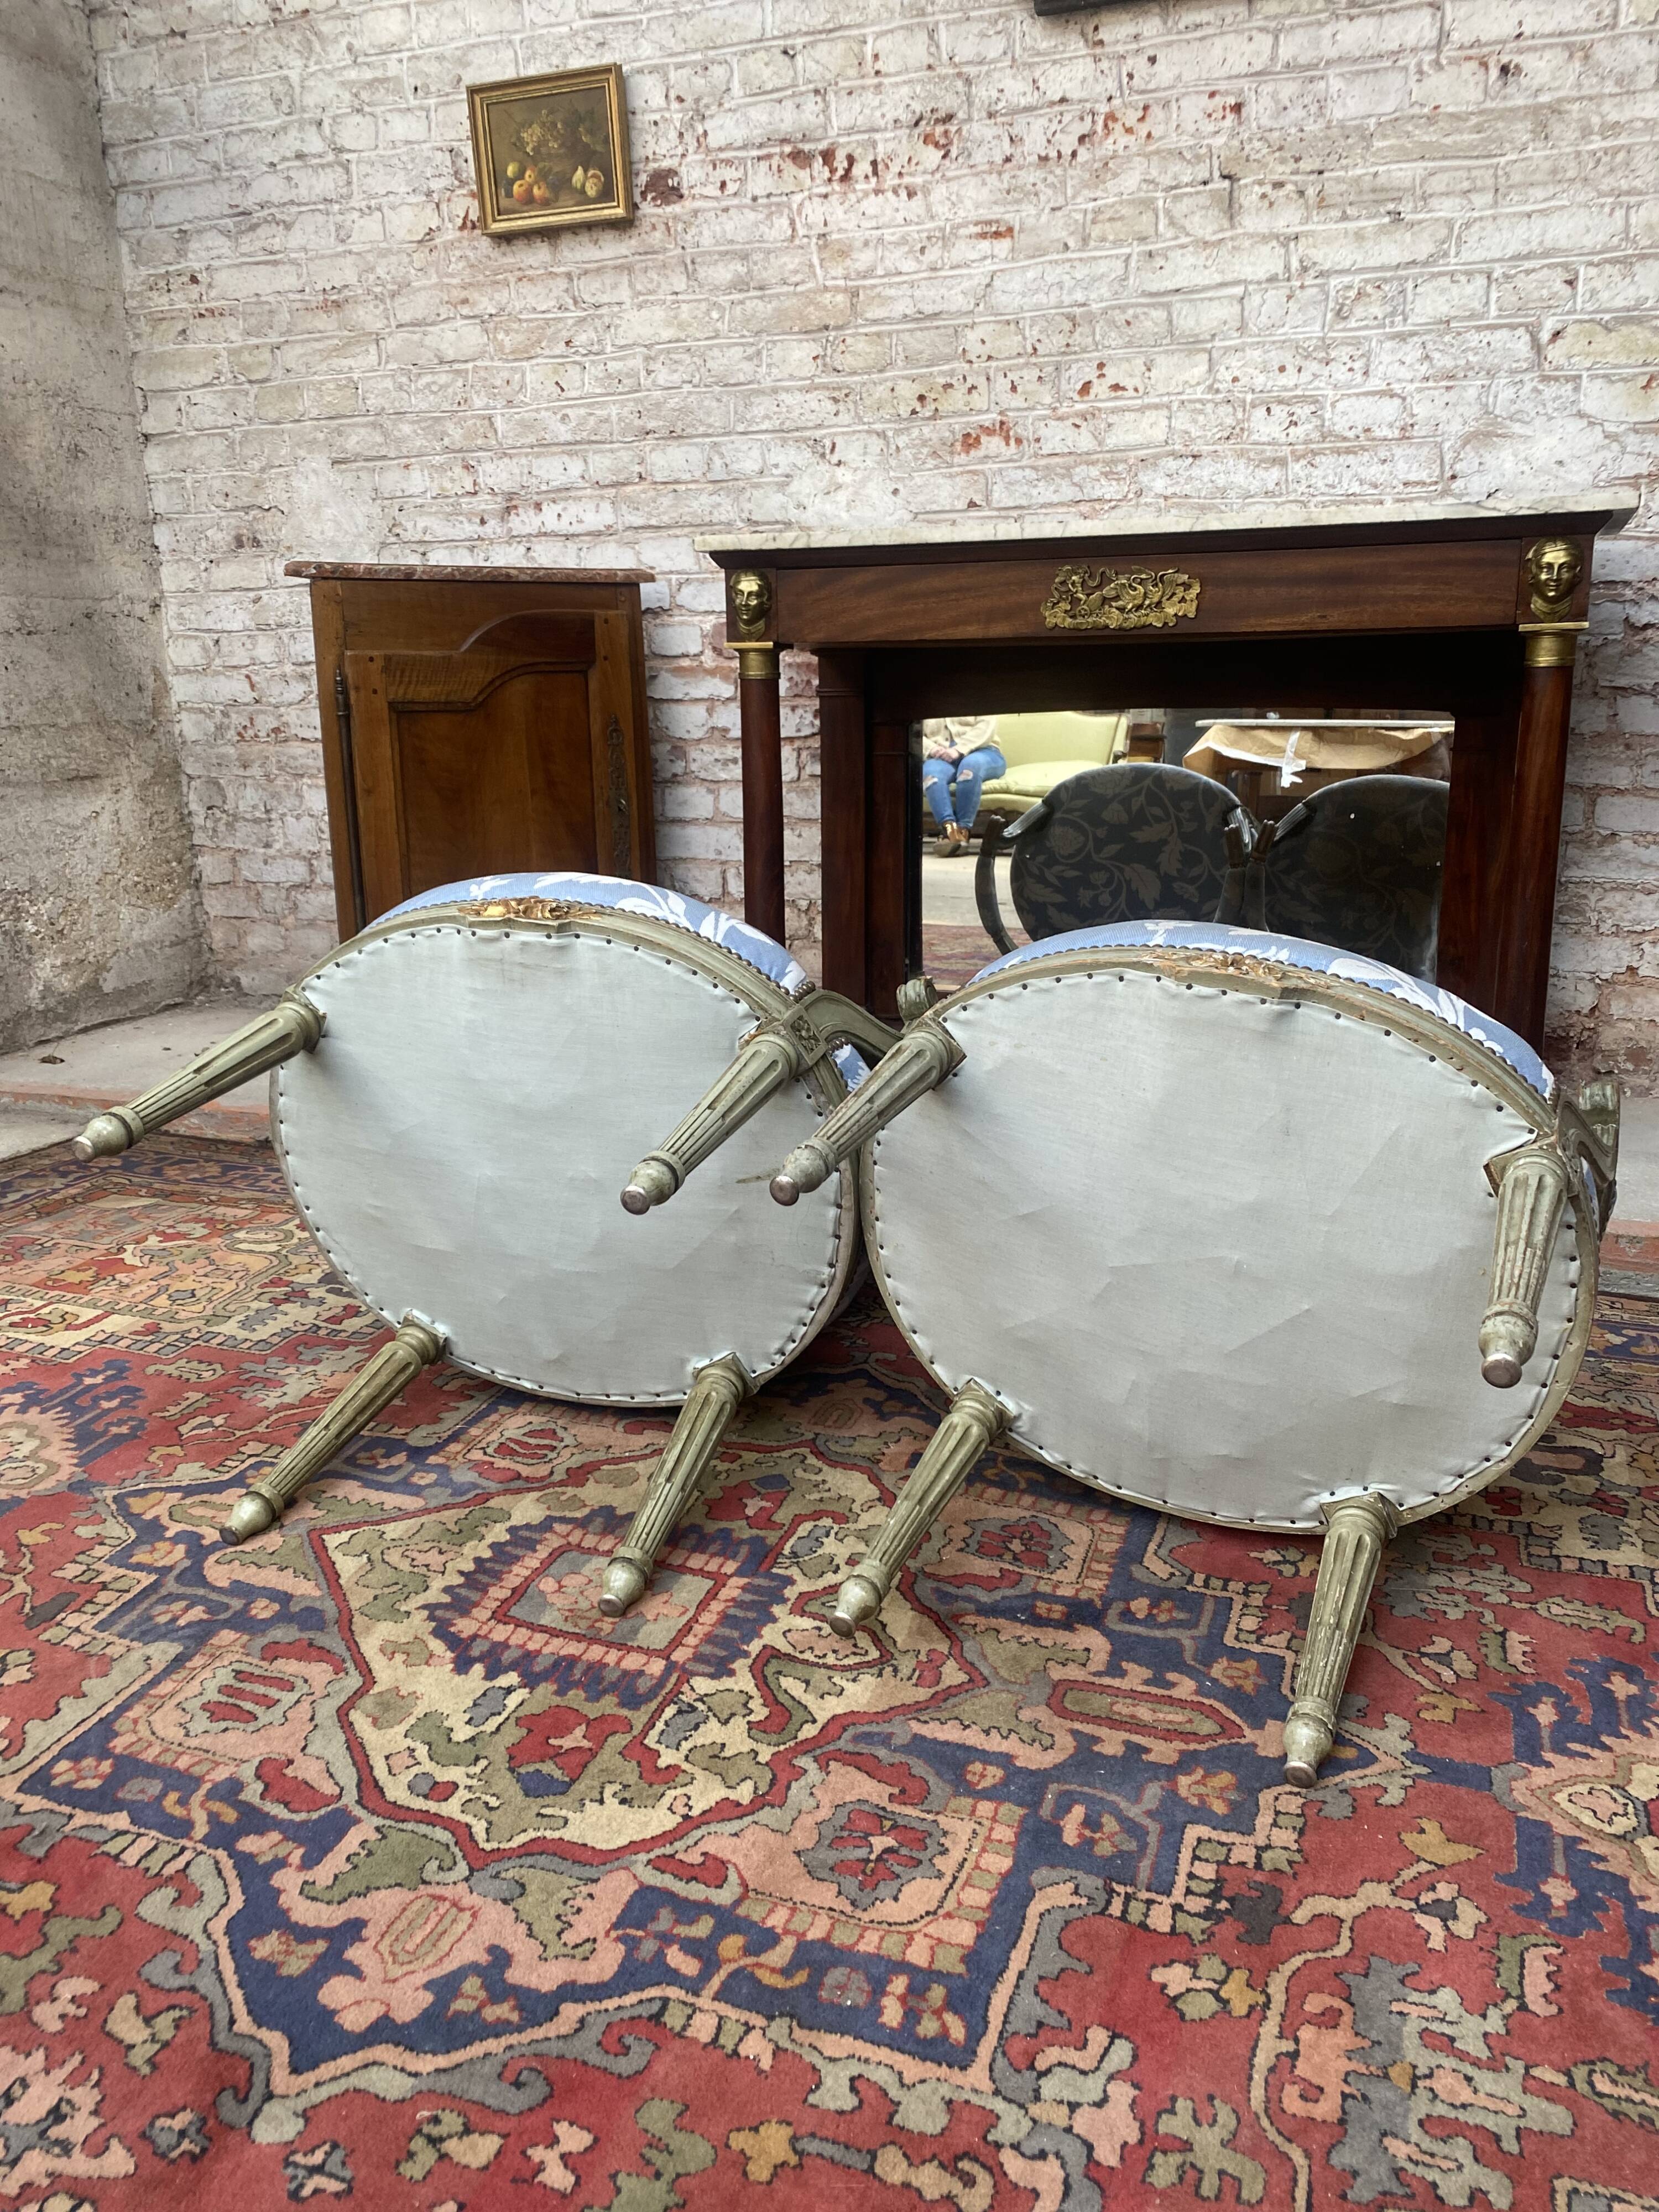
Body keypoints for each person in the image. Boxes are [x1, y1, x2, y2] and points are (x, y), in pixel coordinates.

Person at [921, 717, 1005, 854]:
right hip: (941, 756)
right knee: (931, 777)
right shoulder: (923, 701)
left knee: (968, 771)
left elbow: (986, 727)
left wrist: (960, 749)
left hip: (982, 751)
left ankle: (963, 831)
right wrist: (932, 749)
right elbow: (914, 732)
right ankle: (951, 832)